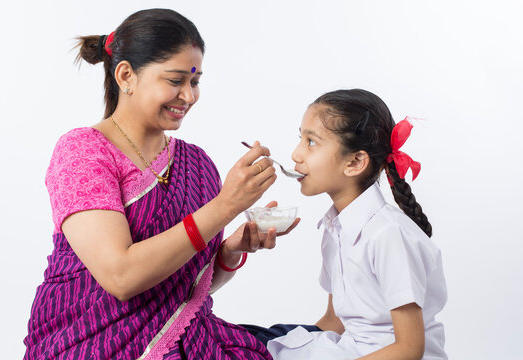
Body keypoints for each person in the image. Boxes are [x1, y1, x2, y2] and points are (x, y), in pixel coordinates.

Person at [23, 9, 298, 360]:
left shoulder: (196, 164)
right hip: (87, 344)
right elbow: (121, 277)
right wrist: (225, 206)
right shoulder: (82, 152)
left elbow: (180, 291)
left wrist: (230, 251)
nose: (189, 96)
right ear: (126, 75)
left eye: (195, 82)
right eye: (175, 80)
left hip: (192, 339)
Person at [264, 89, 447, 359]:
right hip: (351, 350)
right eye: (299, 138)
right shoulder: (334, 228)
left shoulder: (387, 234)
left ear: (355, 162)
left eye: (311, 142)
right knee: (248, 342)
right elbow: (335, 322)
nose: (296, 154)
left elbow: (410, 349)